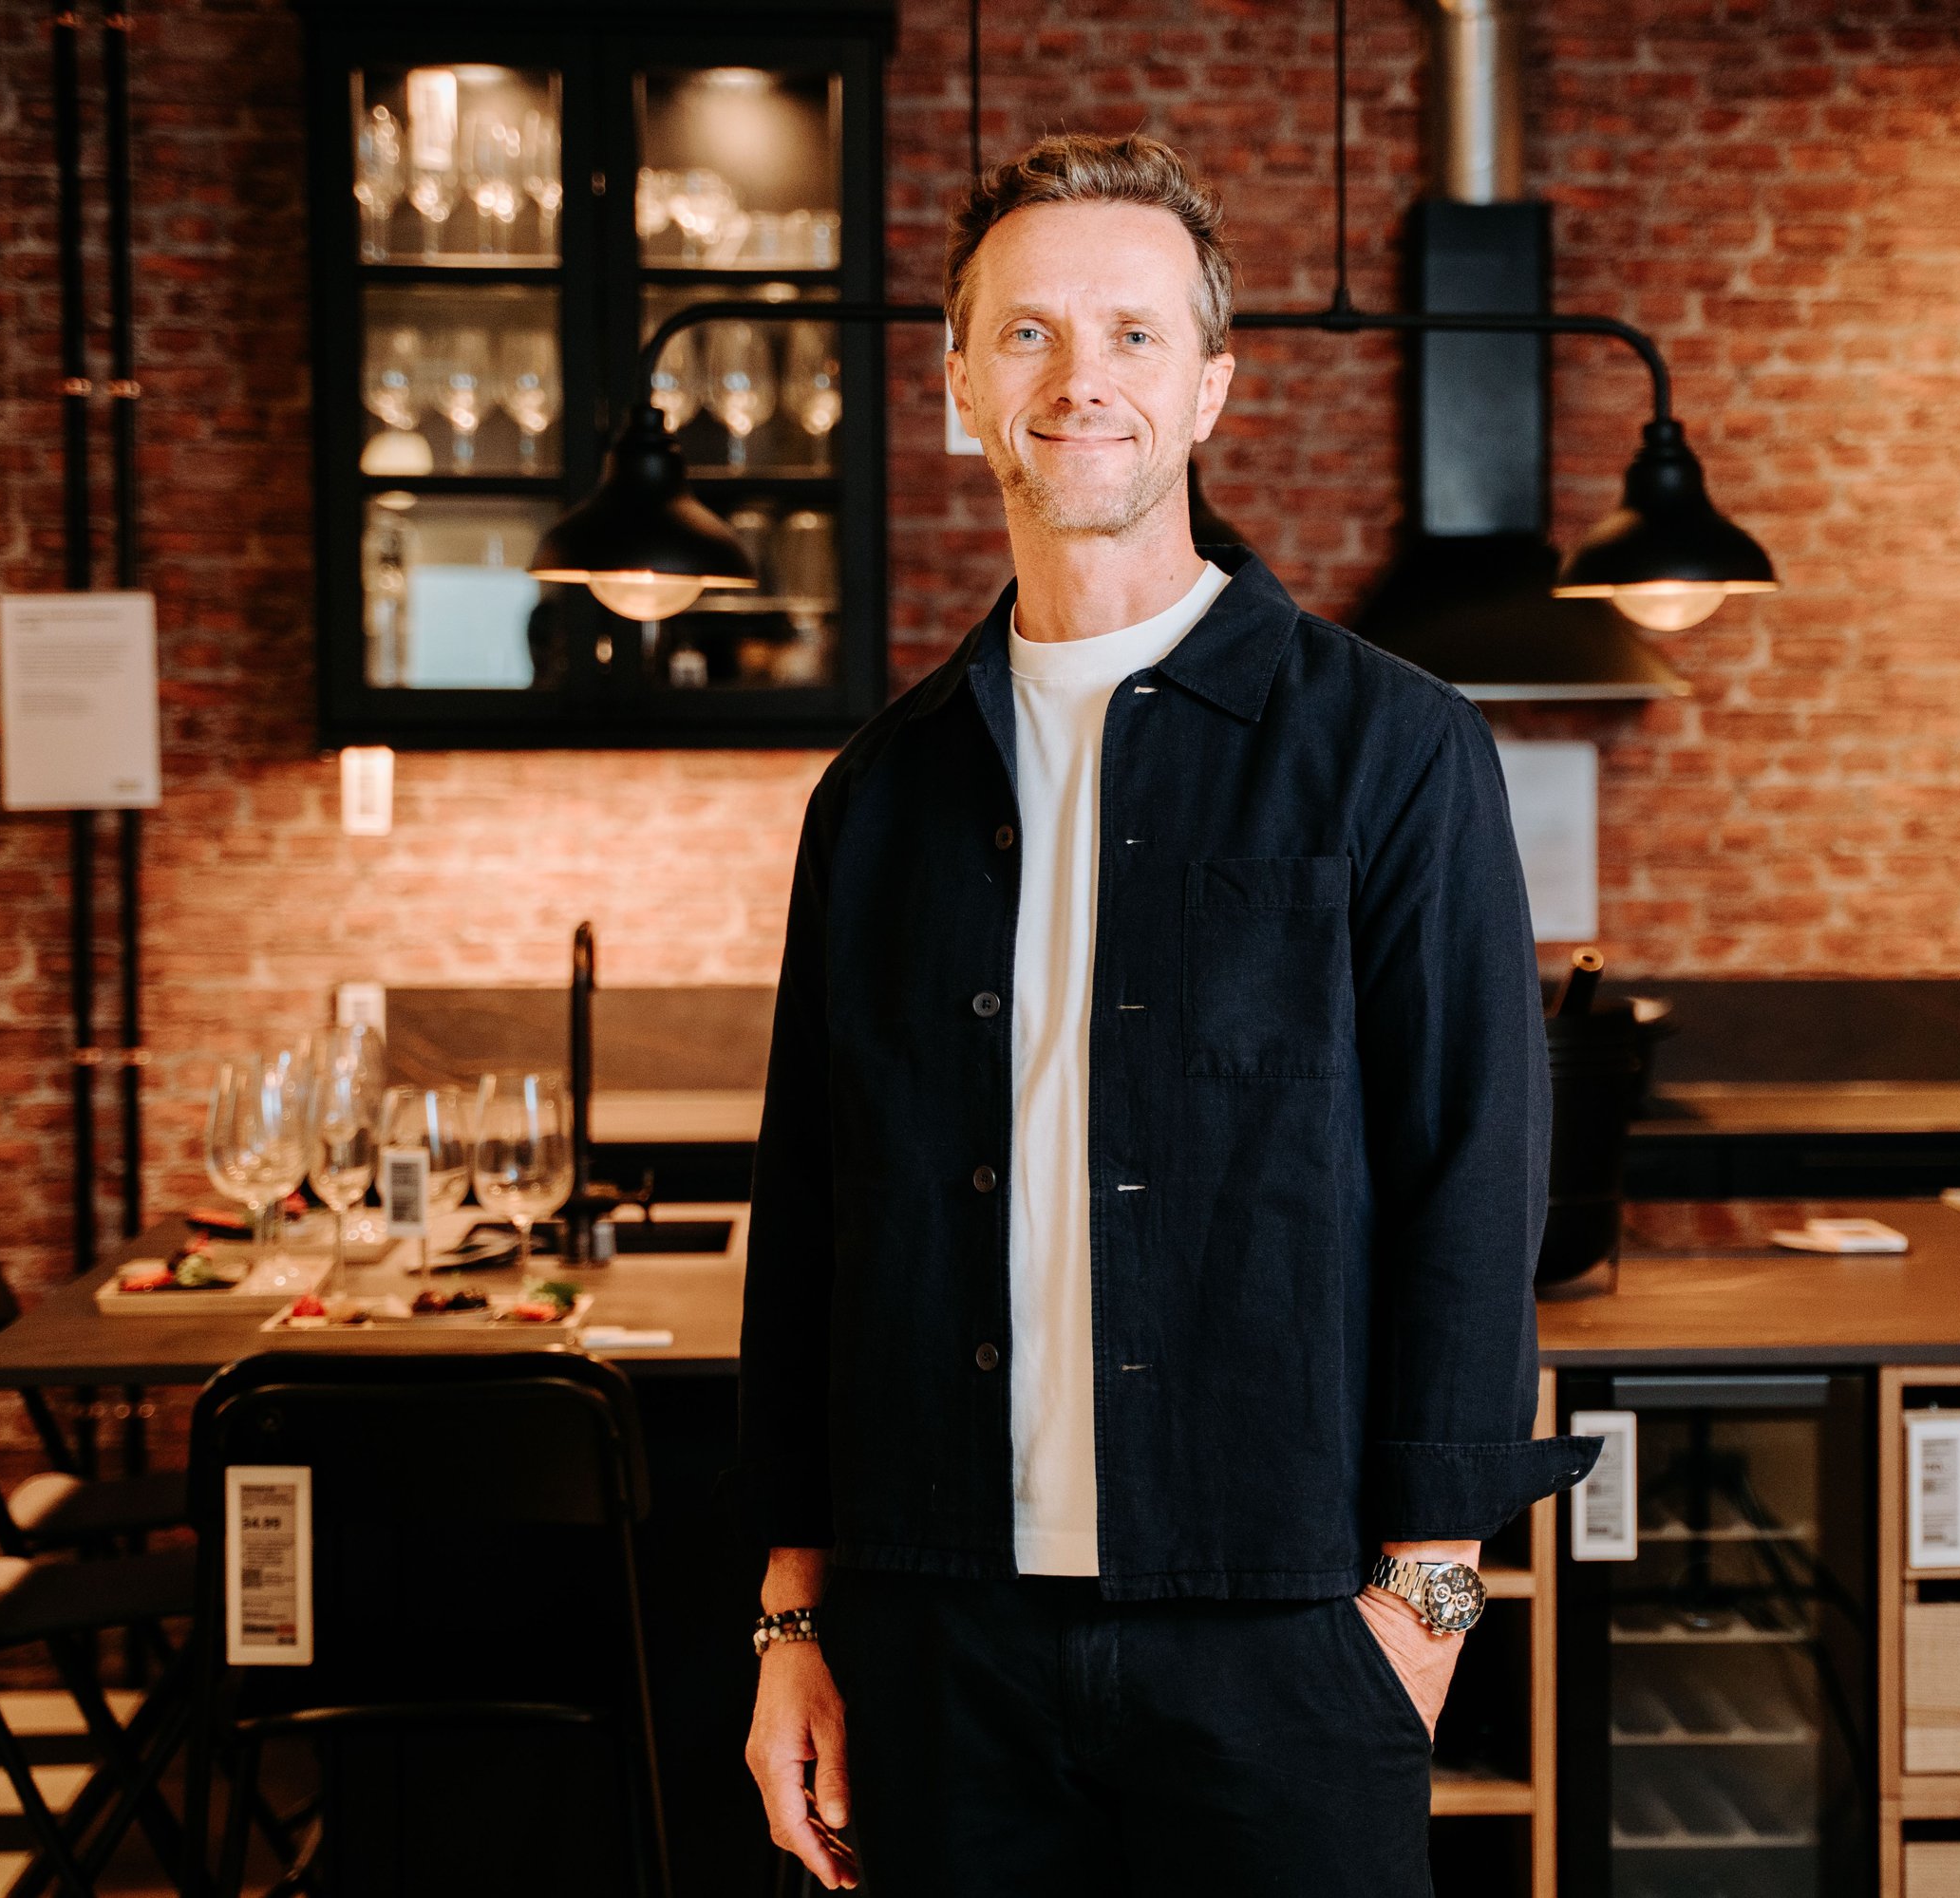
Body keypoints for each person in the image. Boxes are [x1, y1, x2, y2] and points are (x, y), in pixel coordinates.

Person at [736, 131, 1596, 1896]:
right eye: (1029, 333)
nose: (1081, 378)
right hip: (941, 1633)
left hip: (1285, 1631)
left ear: (1210, 385)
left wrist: (1425, 1600)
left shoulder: (1395, 751)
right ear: (958, 383)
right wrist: (792, 1618)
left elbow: (1472, 1179)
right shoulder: (878, 796)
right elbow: (813, 1219)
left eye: (1133, 334)